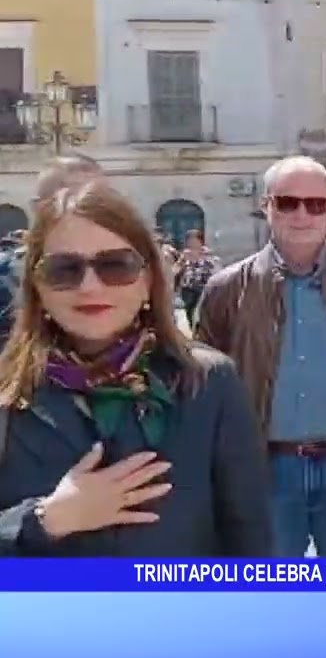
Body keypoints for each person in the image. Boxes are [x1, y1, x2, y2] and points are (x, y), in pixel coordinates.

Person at [0, 182, 270, 556]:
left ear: (147, 281)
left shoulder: (208, 382)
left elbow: (251, 539)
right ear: (37, 287)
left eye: (115, 265)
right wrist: (45, 520)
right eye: (64, 269)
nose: (90, 286)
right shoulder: (9, 391)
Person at [195, 156, 326, 557]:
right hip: (264, 475)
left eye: (316, 204)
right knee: (271, 604)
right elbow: (204, 388)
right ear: (267, 206)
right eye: (288, 202)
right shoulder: (225, 290)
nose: (302, 214)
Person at [0, 156, 107, 343]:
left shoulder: (135, 269)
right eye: (66, 199)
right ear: (37, 207)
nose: (80, 209)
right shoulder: (5, 274)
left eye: (97, 200)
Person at [173, 229, 219, 327]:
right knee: (189, 312)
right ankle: (193, 329)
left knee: (201, 312)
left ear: (200, 241)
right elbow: (175, 271)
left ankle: (200, 330)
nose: (192, 243)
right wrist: (182, 261)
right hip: (188, 290)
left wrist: (202, 257)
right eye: (189, 241)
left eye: (194, 240)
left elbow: (216, 269)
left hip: (203, 288)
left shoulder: (208, 254)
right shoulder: (184, 255)